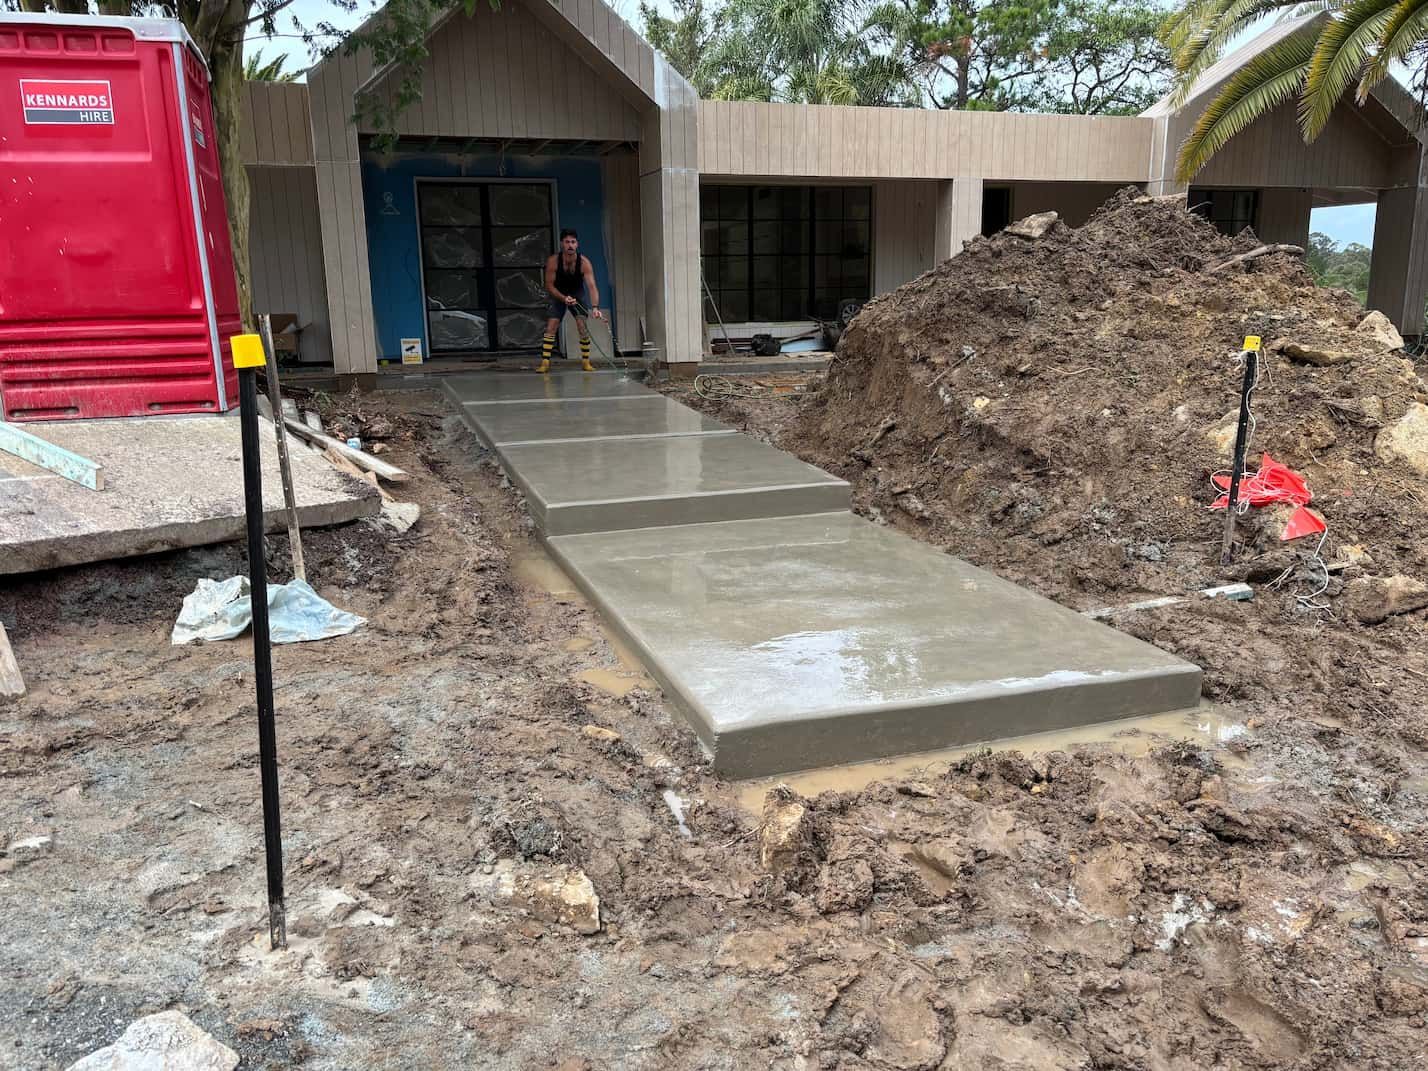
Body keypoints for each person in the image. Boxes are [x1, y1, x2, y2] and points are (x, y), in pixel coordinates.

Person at [540, 229, 604, 373]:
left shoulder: (584, 262)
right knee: (552, 325)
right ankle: (545, 362)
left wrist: (595, 307)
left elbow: (592, 286)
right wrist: (563, 298)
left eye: (573, 242)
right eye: (567, 242)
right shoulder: (553, 261)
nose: (570, 245)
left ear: (577, 244)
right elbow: (549, 285)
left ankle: (586, 362)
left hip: (577, 294)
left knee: (582, 325)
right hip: (558, 294)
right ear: (562, 243)